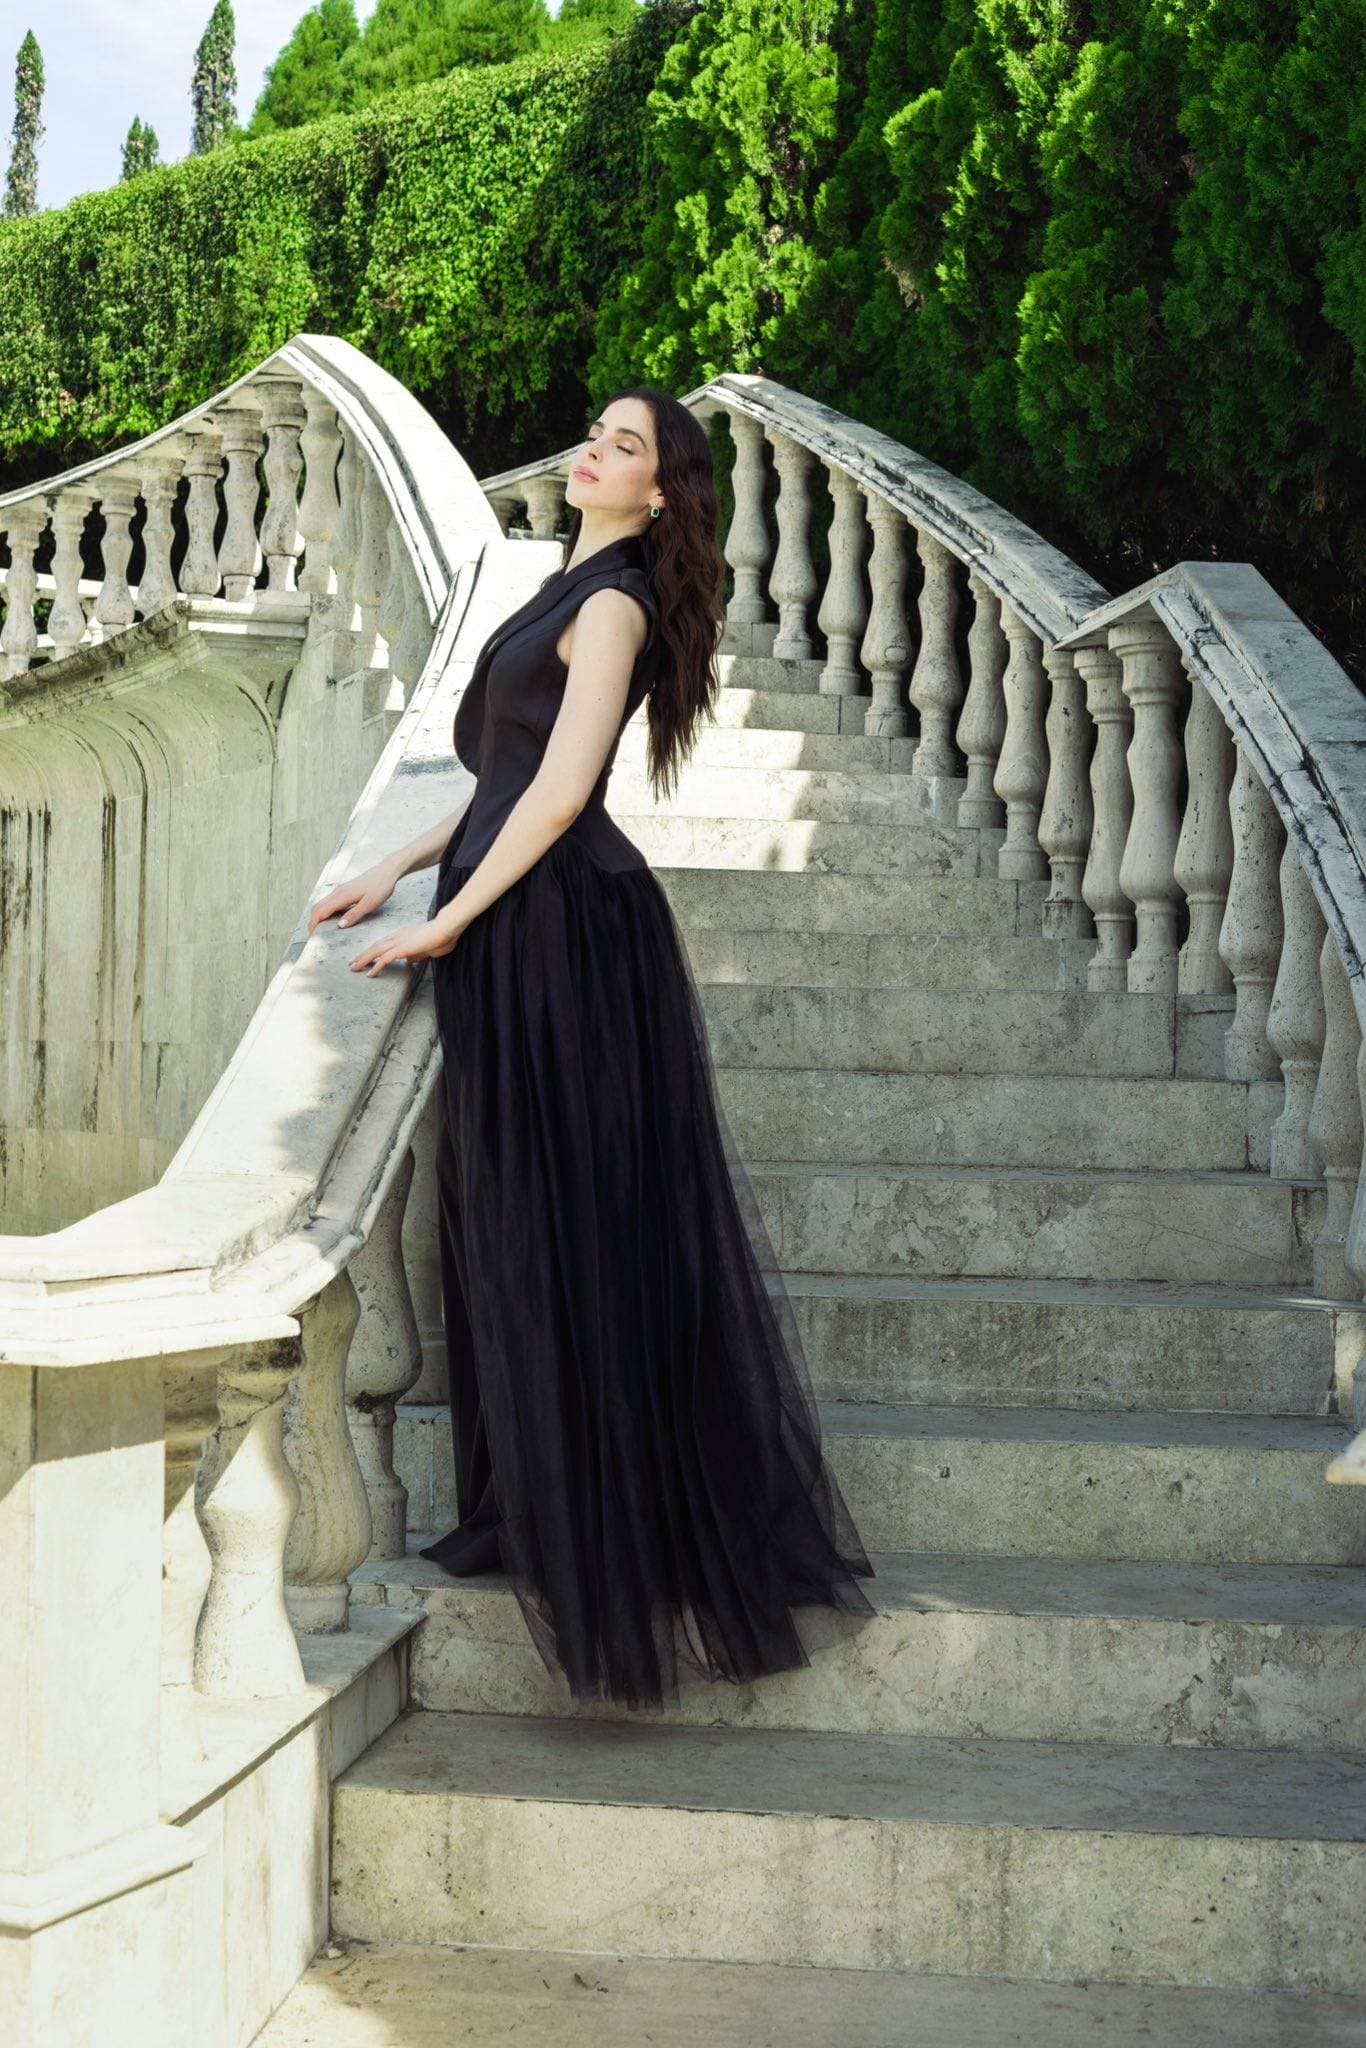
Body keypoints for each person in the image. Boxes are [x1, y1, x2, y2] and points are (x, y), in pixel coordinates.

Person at [308, 385, 877, 1710]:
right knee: (518, 1221)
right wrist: (394, 867)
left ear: (662, 491)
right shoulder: (568, 587)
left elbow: (563, 795)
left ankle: (616, 1525)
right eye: (597, 436)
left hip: (564, 928)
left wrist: (446, 919)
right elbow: (502, 775)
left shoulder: (612, 605)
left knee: (570, 1225)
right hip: (523, 914)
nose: (593, 453)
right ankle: (539, 1504)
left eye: (625, 447)